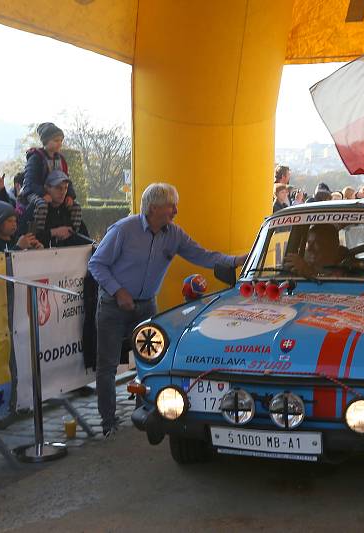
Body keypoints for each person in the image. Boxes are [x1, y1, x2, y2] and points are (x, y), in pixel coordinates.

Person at [88, 182, 248, 437]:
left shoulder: (174, 234)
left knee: (151, 362)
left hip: (147, 306)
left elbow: (202, 256)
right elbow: (96, 264)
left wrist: (237, 261)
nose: (175, 211)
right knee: (107, 364)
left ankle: (148, 411)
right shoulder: (123, 230)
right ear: (153, 208)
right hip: (113, 305)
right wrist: (119, 291)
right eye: (171, 206)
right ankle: (109, 423)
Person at [19, 122, 82, 235]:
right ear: (46, 141)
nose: (60, 144)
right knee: (41, 205)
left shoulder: (61, 159)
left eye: (61, 141)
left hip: (52, 192)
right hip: (33, 192)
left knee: (75, 206)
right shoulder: (35, 158)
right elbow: (30, 181)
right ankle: (40, 232)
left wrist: (70, 195)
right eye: (56, 140)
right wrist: (43, 193)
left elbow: (66, 178)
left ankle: (73, 232)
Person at [20, 170, 91, 248]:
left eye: (66, 188)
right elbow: (28, 238)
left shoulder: (70, 210)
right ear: (46, 188)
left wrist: (71, 234)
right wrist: (53, 232)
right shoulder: (36, 209)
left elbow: (85, 240)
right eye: (58, 188)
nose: (63, 192)